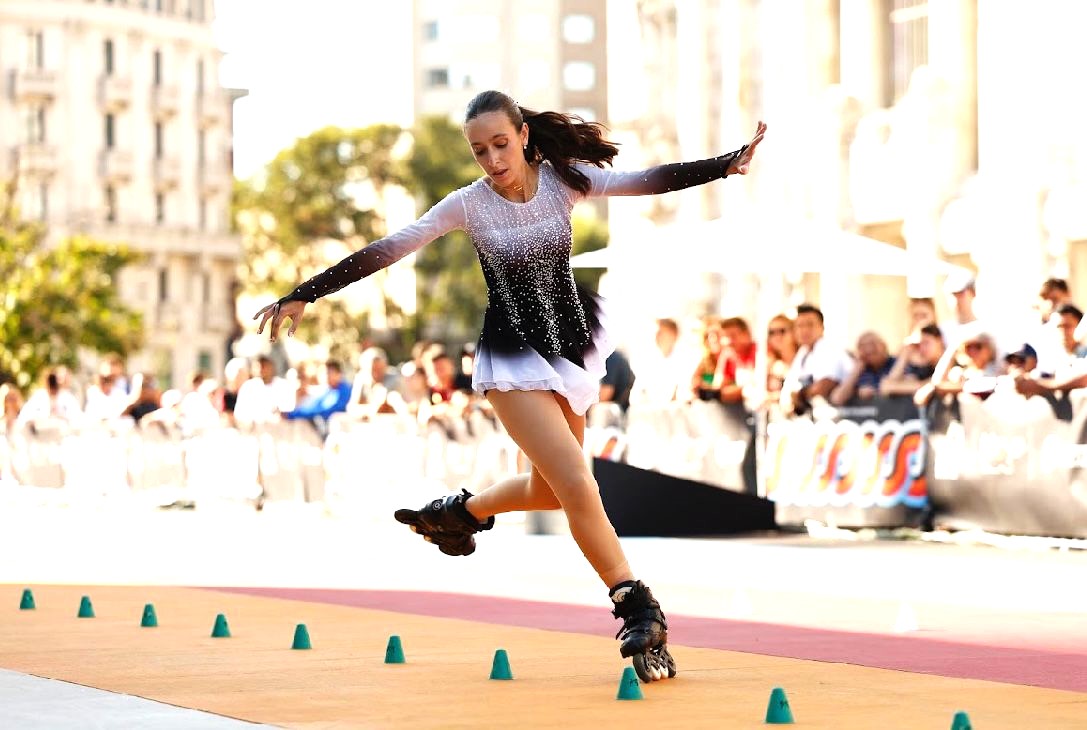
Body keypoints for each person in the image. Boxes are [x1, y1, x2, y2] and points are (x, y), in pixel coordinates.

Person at [254, 89, 765, 683]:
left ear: (523, 135)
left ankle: (458, 512)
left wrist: (726, 163)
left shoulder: (564, 181)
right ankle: (635, 602)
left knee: (552, 491)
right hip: (513, 357)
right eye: (479, 152)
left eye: (500, 144)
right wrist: (307, 291)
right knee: (578, 483)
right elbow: (386, 251)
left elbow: (645, 179)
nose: (493, 160)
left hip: (570, 348)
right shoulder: (466, 205)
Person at [830, 331, 895, 406]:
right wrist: (857, 390)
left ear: (884, 345)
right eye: (862, 346)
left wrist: (875, 393)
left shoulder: (897, 363)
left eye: (872, 343)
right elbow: (837, 399)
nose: (868, 349)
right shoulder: (861, 370)